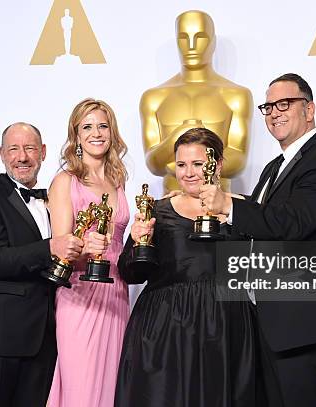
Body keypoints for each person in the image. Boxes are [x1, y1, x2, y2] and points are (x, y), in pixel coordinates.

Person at [200, 73, 316, 407]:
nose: (274, 112)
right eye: (268, 106)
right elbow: (257, 222)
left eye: (284, 103)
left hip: (312, 328)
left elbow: (291, 222)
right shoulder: (276, 166)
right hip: (275, 327)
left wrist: (228, 204)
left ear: (310, 109)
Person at [115, 128, 258, 406]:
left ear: (216, 164)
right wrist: (135, 240)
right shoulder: (156, 210)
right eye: (181, 165)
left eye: (197, 164)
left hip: (227, 328)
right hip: (166, 331)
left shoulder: (244, 209)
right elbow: (130, 273)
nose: (188, 172)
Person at [0, 122, 83, 407]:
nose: (22, 157)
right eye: (14, 149)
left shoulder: (54, 201)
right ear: (2, 154)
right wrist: (50, 247)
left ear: (42, 152)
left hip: (43, 341)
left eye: (29, 148)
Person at [47, 98, 130, 407]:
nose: (97, 133)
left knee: (112, 389)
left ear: (112, 132)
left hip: (116, 294)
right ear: (76, 135)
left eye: (103, 126)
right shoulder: (64, 182)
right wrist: (85, 247)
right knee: (80, 389)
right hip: (80, 295)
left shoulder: (118, 182)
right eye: (87, 127)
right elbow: (60, 249)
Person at [140, 10, 252, 192]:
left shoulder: (237, 95)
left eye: (200, 37)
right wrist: (178, 135)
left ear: (213, 42)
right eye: (183, 38)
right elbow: (153, 164)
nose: (191, 46)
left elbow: (238, 161)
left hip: (219, 209)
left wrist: (183, 165)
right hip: (170, 209)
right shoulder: (154, 98)